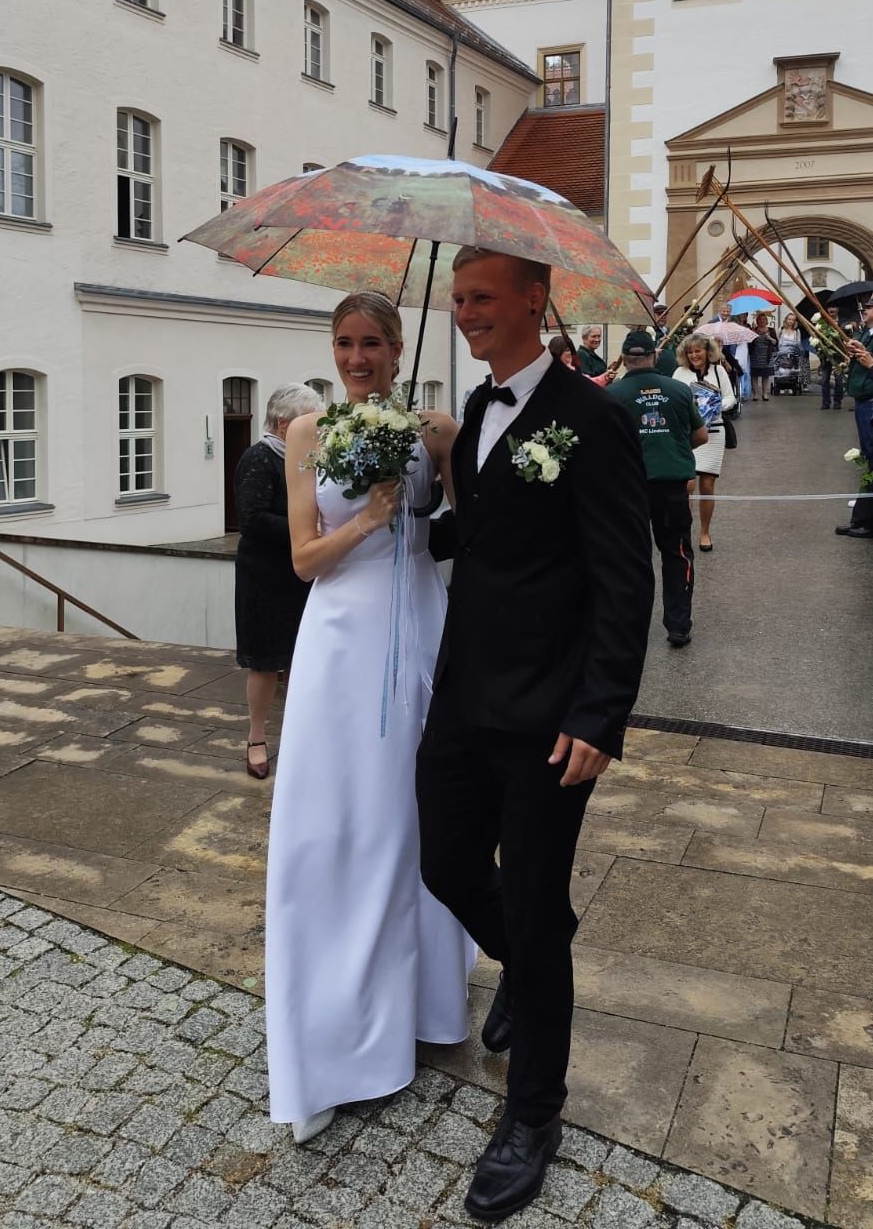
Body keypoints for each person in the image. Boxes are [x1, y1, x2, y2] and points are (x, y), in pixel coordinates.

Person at [417, 248, 653, 1223]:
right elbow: (479, 539)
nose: (465, 311)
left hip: (552, 717)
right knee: (444, 863)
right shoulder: (477, 408)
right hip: (463, 694)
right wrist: (393, 521)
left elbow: (624, 576)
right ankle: (527, 953)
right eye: (458, 298)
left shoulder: (592, 416)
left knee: (538, 905)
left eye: (481, 297)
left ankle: (533, 1114)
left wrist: (600, 714)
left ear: (533, 300)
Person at [266, 292, 473, 1145]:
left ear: (396, 349)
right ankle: (330, 1039)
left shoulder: (437, 433)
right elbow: (303, 558)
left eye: (373, 344)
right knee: (334, 820)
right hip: (340, 640)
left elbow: (478, 533)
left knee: (416, 816)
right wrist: (372, 519)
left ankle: (424, 1002)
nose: (358, 359)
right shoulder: (307, 433)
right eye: (345, 344)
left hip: (418, 625)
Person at [234, 382, 322, 780]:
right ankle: (256, 738)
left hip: (301, 572)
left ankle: (303, 740)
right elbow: (252, 521)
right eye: (310, 420)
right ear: (285, 425)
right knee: (265, 663)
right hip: (265, 578)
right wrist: (309, 529)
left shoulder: (306, 459)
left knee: (304, 659)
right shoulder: (259, 457)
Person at [607, 331, 707, 648]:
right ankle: (678, 625)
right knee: (677, 553)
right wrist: (675, 447)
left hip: (630, 488)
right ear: (653, 356)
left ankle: (629, 626)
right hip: (672, 485)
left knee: (631, 557)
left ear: (625, 360)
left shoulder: (612, 395)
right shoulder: (678, 390)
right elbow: (701, 436)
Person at [836, 293, 873, 538]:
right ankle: (862, 517)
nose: (865, 310)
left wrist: (867, 356)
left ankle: (871, 521)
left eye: (869, 307)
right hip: (864, 399)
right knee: (870, 456)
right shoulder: (867, 332)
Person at [674, 334, 736, 553]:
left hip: (714, 431)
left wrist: (716, 404)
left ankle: (705, 532)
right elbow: (673, 399)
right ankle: (685, 532)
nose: (694, 355)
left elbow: (731, 398)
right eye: (690, 352)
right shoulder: (680, 373)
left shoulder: (719, 371)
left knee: (707, 485)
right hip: (688, 433)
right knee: (687, 485)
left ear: (707, 352)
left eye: (697, 351)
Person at [747, 312, 778, 402]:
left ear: (766, 321)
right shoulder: (754, 329)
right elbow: (749, 342)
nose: (762, 321)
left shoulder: (771, 330)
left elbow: (776, 343)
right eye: (760, 320)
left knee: (765, 375)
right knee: (754, 375)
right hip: (755, 356)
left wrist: (769, 338)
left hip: (767, 356)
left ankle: (765, 394)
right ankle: (756, 394)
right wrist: (752, 332)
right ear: (757, 321)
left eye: (764, 319)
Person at [651, 302, 677, 375]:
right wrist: (659, 342)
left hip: (672, 370)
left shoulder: (669, 331)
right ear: (653, 316)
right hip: (659, 371)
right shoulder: (650, 332)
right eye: (659, 314)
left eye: (665, 314)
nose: (663, 317)